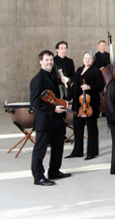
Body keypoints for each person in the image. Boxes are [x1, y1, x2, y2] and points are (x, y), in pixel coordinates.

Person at [30, 50, 72, 186]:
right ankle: (38, 177)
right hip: (44, 120)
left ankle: (54, 171)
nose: (49, 62)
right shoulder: (37, 79)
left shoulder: (52, 76)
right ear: (40, 61)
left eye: (51, 60)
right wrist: (53, 109)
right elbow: (35, 102)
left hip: (56, 120)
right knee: (40, 149)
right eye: (47, 60)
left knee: (58, 146)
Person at [65, 50, 104, 160]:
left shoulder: (95, 70)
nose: (87, 60)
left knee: (91, 128)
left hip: (90, 104)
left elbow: (101, 85)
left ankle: (92, 152)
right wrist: (67, 99)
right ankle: (77, 151)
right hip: (78, 104)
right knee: (77, 128)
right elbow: (74, 86)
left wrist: (89, 87)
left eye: (90, 58)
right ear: (83, 59)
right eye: (85, 58)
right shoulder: (79, 70)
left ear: (93, 60)